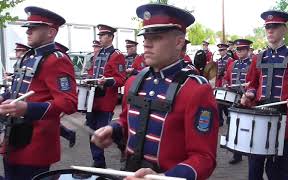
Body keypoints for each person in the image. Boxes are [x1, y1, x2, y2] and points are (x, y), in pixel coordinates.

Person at [91, 3, 219, 180]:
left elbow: (204, 159)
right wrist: (113, 129)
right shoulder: (134, 82)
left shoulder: (196, 90)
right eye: (145, 37)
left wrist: (165, 177)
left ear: (178, 42)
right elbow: (127, 120)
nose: (147, 44)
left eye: (156, 37)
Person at [0, 6, 77, 180]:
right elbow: (16, 91)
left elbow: (68, 102)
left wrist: (27, 108)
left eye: (34, 27)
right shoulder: (27, 57)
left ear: (51, 32)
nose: (28, 31)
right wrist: (3, 98)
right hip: (13, 138)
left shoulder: (56, 60)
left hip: (36, 145)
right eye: (28, 27)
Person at [241, 10, 288, 180]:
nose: (270, 30)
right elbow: (253, 85)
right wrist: (249, 94)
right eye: (267, 27)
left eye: (275, 27)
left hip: (284, 122)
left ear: (284, 29)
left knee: (277, 173)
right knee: (254, 171)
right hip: (259, 118)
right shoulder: (257, 58)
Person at [85, 24, 126, 168]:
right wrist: (87, 77)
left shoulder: (117, 55)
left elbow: (121, 79)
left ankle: (120, 145)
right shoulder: (97, 54)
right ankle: (99, 163)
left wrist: (107, 81)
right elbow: (92, 72)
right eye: (99, 36)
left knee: (101, 132)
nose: (100, 38)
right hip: (92, 100)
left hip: (106, 101)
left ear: (110, 37)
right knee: (91, 132)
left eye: (102, 35)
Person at [224, 39, 253, 165]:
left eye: (242, 49)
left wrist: (249, 86)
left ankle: (250, 149)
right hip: (233, 97)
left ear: (247, 50)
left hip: (248, 99)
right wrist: (225, 83)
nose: (239, 52)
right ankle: (237, 154)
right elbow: (226, 77)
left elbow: (257, 80)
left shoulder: (253, 64)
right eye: (238, 50)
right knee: (233, 124)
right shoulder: (232, 64)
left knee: (247, 126)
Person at [55, 42, 77, 148]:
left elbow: (66, 87)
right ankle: (69, 134)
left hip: (56, 99)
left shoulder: (62, 62)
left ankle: (69, 134)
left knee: (52, 123)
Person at [216, 43, 234, 127]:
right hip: (219, 83)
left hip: (226, 83)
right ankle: (220, 121)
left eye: (222, 50)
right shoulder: (218, 61)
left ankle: (229, 117)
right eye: (220, 50)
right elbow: (216, 74)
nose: (221, 52)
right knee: (218, 102)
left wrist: (226, 83)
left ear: (226, 50)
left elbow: (230, 73)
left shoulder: (230, 60)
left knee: (226, 103)